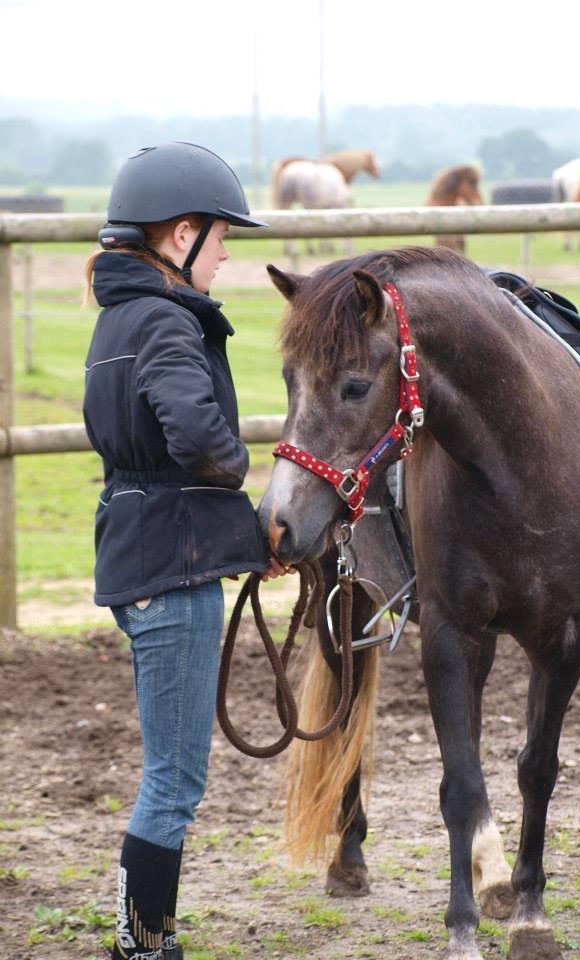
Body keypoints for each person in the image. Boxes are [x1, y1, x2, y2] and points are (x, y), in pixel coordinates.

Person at [83, 141, 288, 960]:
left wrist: (242, 538)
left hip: (144, 553)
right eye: (220, 236)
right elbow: (201, 442)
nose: (229, 252)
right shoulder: (168, 320)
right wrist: (243, 480)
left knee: (172, 774)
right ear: (179, 236)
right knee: (174, 780)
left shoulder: (119, 317)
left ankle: (150, 938)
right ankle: (142, 946)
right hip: (173, 567)